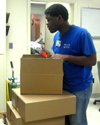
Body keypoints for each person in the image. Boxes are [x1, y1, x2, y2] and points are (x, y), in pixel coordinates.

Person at [44, 3, 97, 125]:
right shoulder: (57, 35)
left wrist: (66, 57)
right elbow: (55, 54)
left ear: (59, 18)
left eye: (49, 20)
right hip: (64, 85)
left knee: (77, 121)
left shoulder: (82, 34)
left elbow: (92, 60)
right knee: (66, 121)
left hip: (79, 86)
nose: (47, 23)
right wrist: (45, 52)